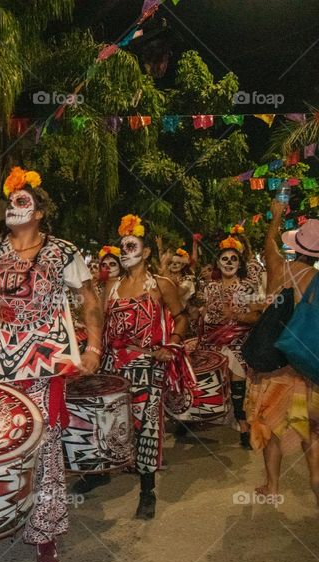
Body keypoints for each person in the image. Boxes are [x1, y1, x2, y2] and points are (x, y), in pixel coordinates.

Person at [0, 166, 104, 562]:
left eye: (22, 200)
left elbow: (90, 299)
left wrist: (94, 347)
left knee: (43, 446)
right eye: (10, 201)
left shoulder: (63, 253)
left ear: (40, 211)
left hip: (41, 366)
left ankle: (44, 531)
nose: (14, 206)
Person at [101, 214, 189, 519]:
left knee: (147, 427)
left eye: (131, 246)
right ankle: (101, 471)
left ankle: (147, 491)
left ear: (147, 252)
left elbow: (182, 317)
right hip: (114, 366)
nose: (125, 252)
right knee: (111, 423)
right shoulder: (111, 286)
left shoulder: (161, 285)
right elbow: (101, 324)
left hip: (147, 365)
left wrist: (171, 344)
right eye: (122, 247)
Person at [246, 209, 319, 504]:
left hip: (275, 367)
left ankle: (272, 486)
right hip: (307, 368)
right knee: (311, 433)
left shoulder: (279, 268)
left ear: (297, 246)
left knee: (272, 429)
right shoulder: (317, 279)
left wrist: (275, 216)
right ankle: (316, 479)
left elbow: (269, 246)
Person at [197, 236, 260, 448]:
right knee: (213, 383)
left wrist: (236, 316)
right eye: (225, 258)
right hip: (212, 341)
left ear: (240, 264)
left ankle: (243, 425)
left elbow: (257, 316)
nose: (230, 262)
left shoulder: (247, 287)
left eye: (234, 259)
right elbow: (204, 313)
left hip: (238, 341)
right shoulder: (210, 287)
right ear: (218, 263)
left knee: (237, 381)